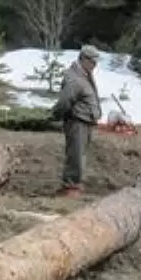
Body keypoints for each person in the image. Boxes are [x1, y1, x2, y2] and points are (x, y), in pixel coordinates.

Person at [50, 45, 102, 198]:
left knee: (80, 154)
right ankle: (71, 187)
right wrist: (56, 115)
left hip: (86, 121)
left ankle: (75, 184)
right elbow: (65, 101)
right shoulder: (74, 77)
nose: (95, 65)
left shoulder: (85, 75)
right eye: (92, 61)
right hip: (77, 121)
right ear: (83, 59)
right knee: (76, 154)